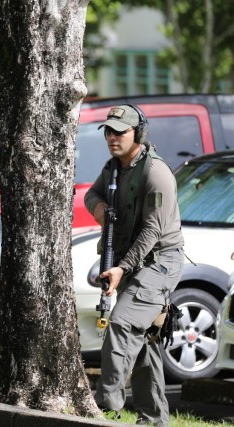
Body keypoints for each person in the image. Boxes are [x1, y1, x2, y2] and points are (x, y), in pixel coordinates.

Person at [85, 104, 185, 426]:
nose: (112, 137)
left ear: (138, 134)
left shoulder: (156, 173)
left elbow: (152, 232)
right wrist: (98, 207)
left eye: (120, 131)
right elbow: (92, 194)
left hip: (159, 263)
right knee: (143, 346)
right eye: (109, 131)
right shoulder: (113, 167)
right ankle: (155, 419)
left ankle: (104, 407)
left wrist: (121, 269)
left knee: (122, 323)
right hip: (132, 261)